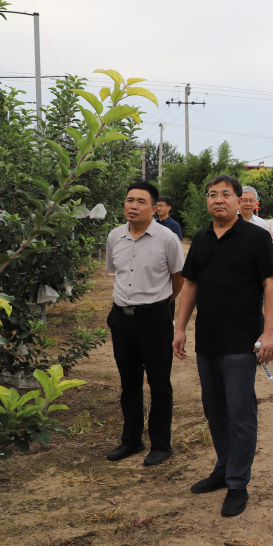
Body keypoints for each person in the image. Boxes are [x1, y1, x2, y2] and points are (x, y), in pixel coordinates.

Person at [172, 174, 273, 518]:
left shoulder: (256, 237)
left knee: (240, 412)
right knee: (215, 409)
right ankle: (223, 467)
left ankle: (237, 483)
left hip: (242, 341)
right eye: (212, 194)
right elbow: (190, 285)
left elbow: (271, 284)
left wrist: (270, 333)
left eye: (226, 194)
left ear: (238, 200)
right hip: (208, 340)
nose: (218, 199)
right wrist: (180, 328)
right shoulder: (201, 239)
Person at [104, 181, 185, 466]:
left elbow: (179, 278)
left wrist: (161, 304)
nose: (133, 206)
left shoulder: (167, 238)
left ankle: (161, 444)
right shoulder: (114, 236)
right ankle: (131, 440)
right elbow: (116, 272)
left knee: (159, 383)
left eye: (141, 201)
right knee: (129, 382)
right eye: (130, 200)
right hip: (121, 318)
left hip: (154, 319)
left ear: (154, 208)